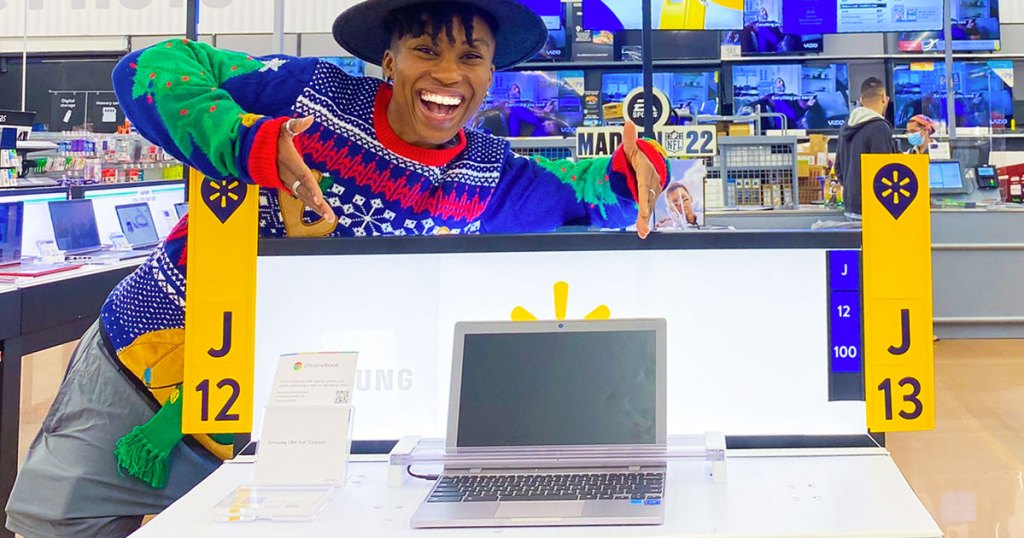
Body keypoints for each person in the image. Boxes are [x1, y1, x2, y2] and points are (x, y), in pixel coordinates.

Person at [4, 1, 669, 536]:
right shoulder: (305, 94)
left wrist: (639, 173)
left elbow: (584, 197)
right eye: (426, 49)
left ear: (492, 74)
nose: (447, 73)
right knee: (55, 525)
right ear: (389, 59)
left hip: (297, 416)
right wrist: (246, 141)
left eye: (471, 55)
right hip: (146, 370)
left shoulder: (485, 173)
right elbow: (152, 68)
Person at [834, 77, 897, 218]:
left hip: (850, 205)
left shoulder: (846, 125)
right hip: (873, 207)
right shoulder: (880, 128)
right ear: (884, 98)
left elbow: (837, 166)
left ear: (861, 100)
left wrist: (852, 188)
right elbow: (883, 171)